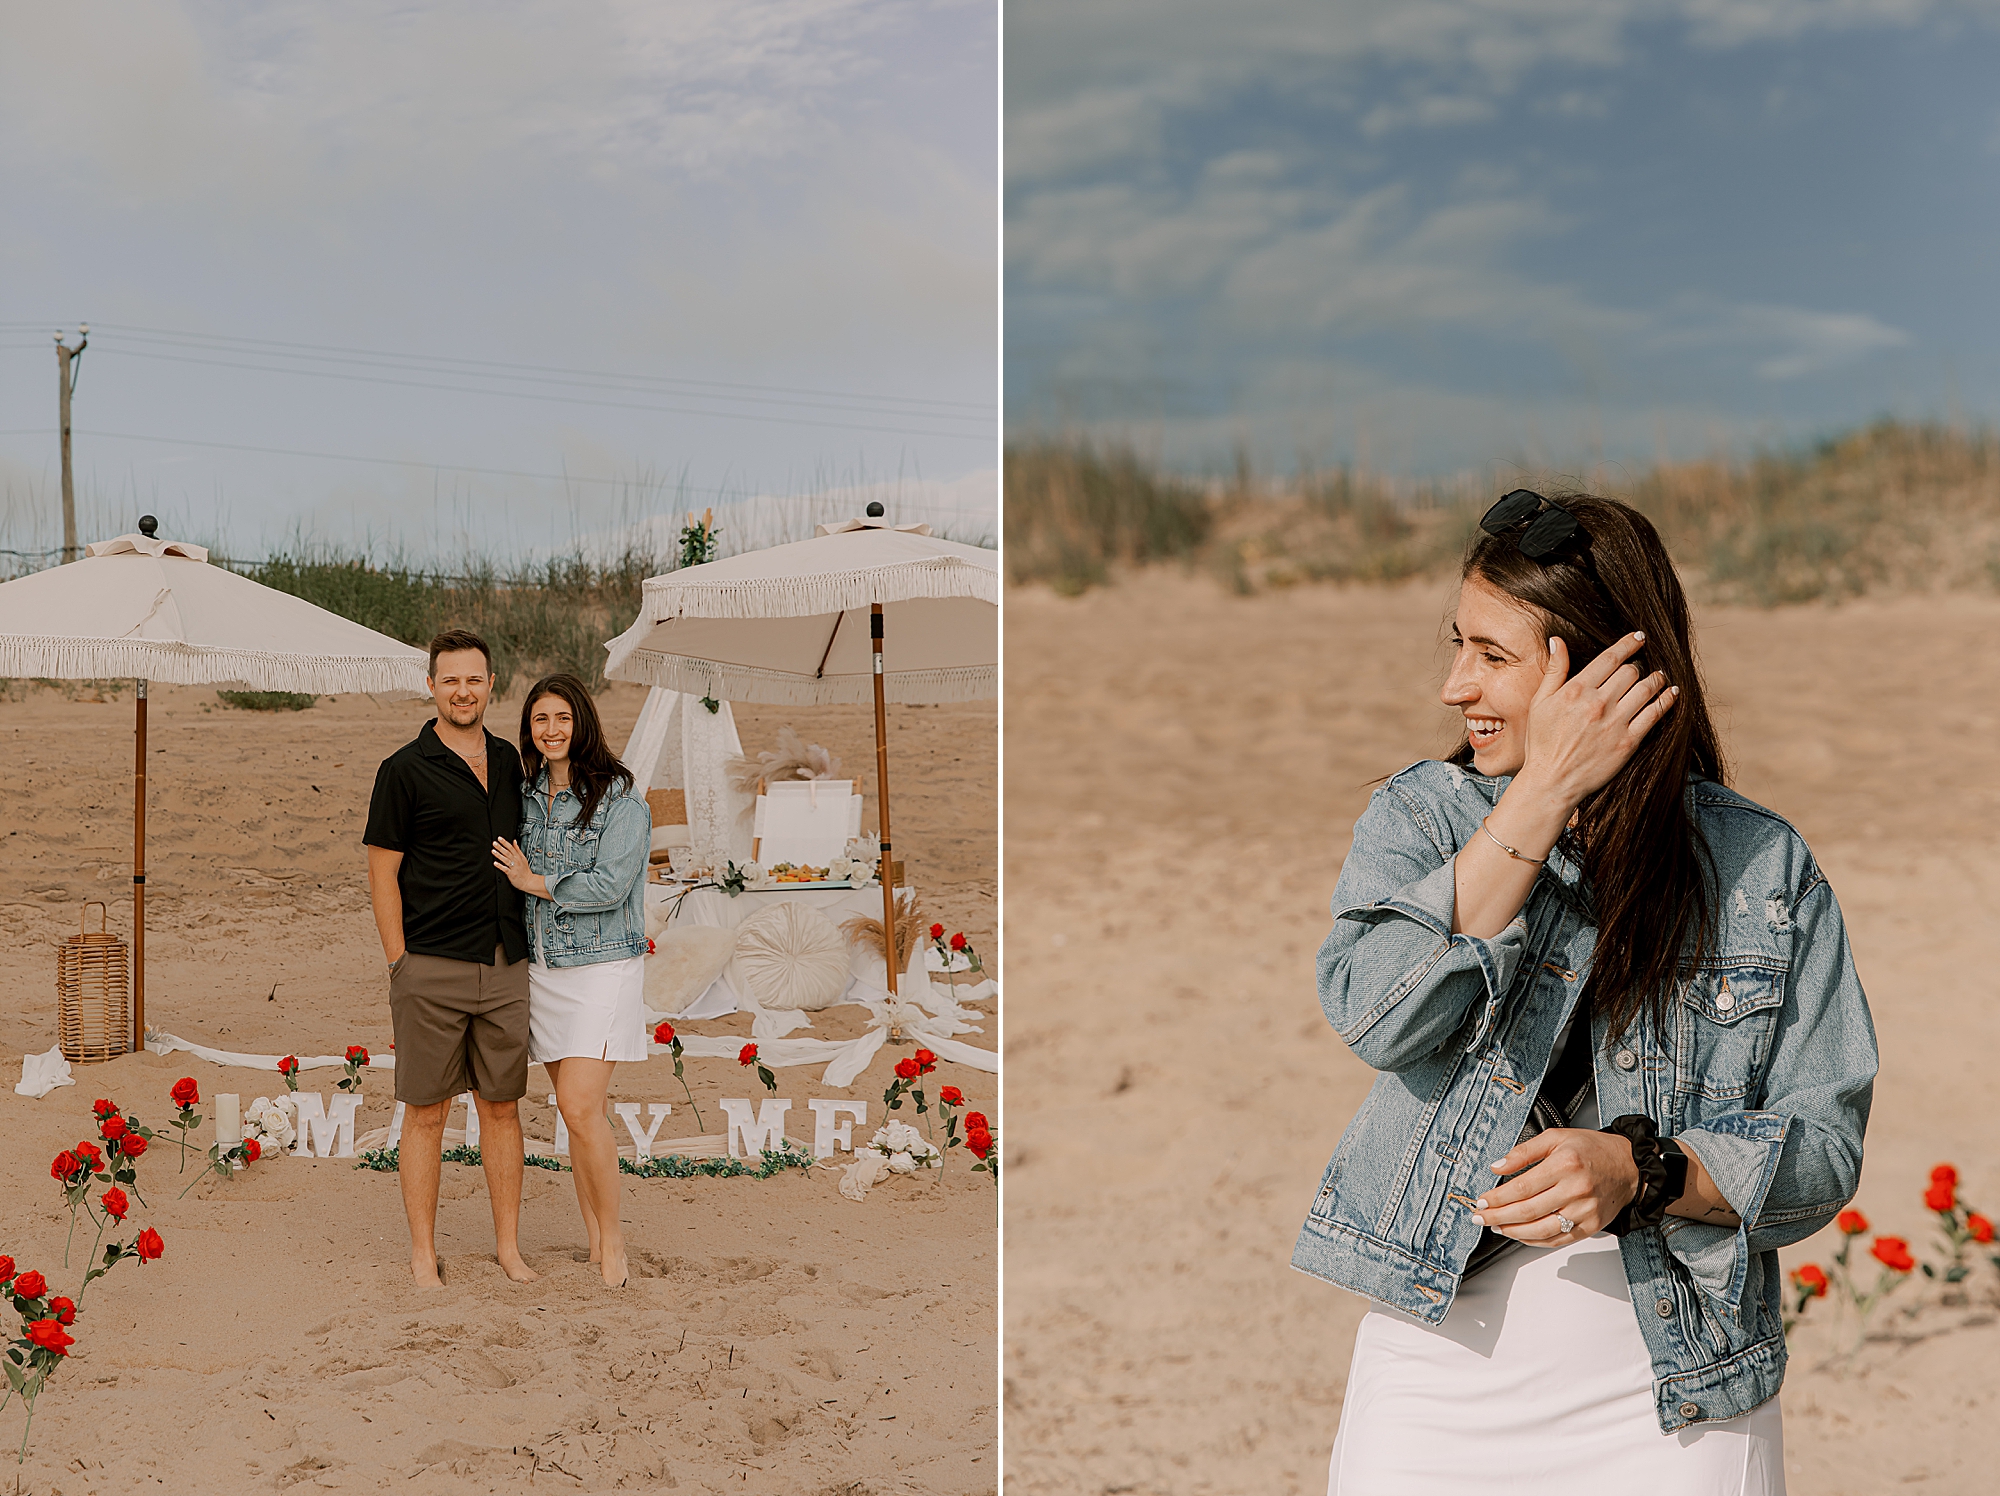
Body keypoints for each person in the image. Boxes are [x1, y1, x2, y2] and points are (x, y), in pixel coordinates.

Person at [1293, 491, 1877, 1495]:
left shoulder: (1760, 866)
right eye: (1455, 645)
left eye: (1489, 654)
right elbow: (1378, 1016)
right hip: (1437, 1370)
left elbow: (1820, 1153)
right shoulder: (1420, 819)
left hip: (1678, 1382)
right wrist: (1539, 794)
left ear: (1597, 665)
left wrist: (1641, 1167)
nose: (1451, 684)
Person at [364, 628, 540, 1289]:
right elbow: (382, 875)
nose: (463, 691)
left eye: (474, 679)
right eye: (450, 680)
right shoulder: (402, 770)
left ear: (491, 685)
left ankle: (508, 1249)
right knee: (427, 1112)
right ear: (431, 685)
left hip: (504, 962)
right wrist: (400, 964)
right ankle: (421, 1253)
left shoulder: (511, 763)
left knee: (501, 1107)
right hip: (429, 964)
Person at [490, 672, 651, 1289]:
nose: (552, 731)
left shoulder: (620, 798)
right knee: (576, 1111)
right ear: (529, 729)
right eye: (540, 720)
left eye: (563, 718)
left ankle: (613, 1243)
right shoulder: (526, 793)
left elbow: (612, 884)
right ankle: (593, 1236)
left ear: (582, 722)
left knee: (580, 1107)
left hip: (603, 965)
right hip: (544, 966)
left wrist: (538, 882)